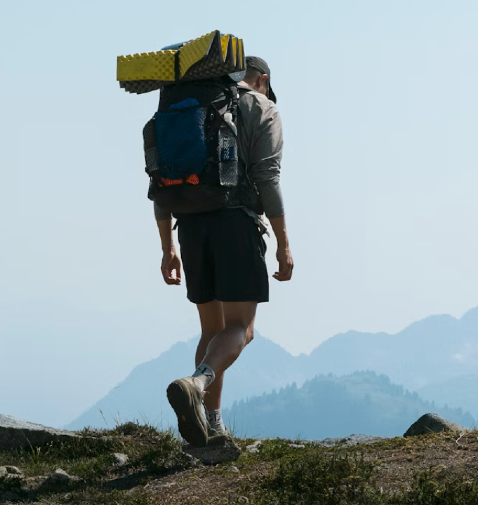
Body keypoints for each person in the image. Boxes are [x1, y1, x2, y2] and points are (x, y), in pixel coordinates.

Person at [154, 56, 293, 447]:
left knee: (211, 330)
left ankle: (211, 426)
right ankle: (198, 384)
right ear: (262, 80)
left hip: (192, 227)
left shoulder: (191, 106)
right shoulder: (262, 107)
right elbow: (267, 177)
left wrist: (167, 248)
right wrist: (283, 244)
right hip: (237, 223)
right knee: (241, 329)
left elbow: (162, 180)